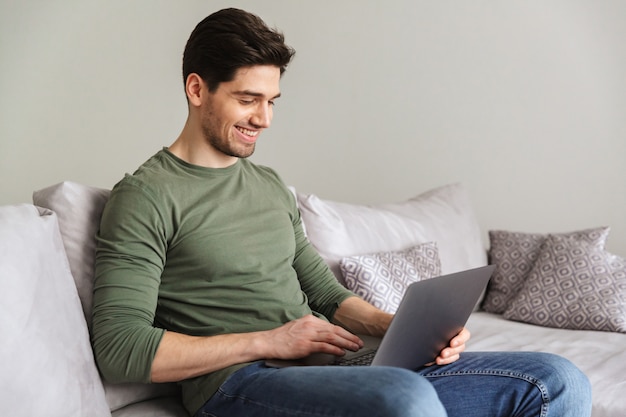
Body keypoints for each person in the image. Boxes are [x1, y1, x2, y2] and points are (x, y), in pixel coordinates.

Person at [92, 7, 592, 417]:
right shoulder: (146, 196)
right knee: (405, 399)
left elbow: (326, 295)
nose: (264, 119)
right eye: (248, 100)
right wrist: (271, 340)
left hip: (329, 368)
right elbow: (120, 349)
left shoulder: (268, 186)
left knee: (556, 379)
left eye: (272, 100)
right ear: (197, 89)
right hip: (238, 385)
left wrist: (401, 327)